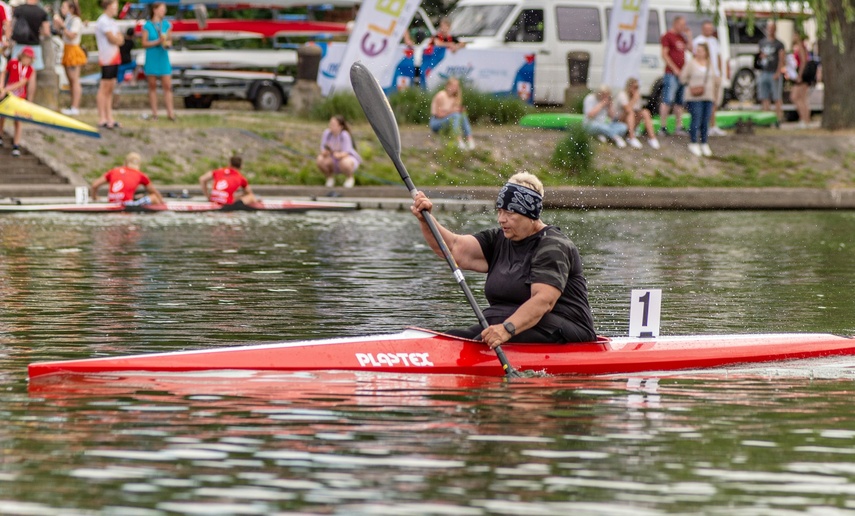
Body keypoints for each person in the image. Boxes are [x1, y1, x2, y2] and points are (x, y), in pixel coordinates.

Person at [409, 172, 596, 346]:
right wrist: (426, 220)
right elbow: (452, 248)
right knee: (455, 336)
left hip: (567, 331)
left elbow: (543, 301)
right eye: (499, 211)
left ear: (530, 214)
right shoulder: (499, 239)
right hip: (510, 324)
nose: (501, 219)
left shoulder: (552, 245)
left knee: (480, 340)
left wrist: (506, 330)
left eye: (510, 213)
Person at [680, 42, 717, 157]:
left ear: (706, 52)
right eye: (697, 50)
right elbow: (682, 78)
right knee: (696, 118)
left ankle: (704, 142)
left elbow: (714, 80)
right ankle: (693, 142)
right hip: (694, 97)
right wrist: (692, 85)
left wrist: (715, 95)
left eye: (701, 50)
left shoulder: (709, 64)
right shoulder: (691, 64)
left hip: (708, 95)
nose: (698, 53)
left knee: (705, 120)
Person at [90, 152, 165, 205]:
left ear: (125, 162)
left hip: (112, 203)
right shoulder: (140, 175)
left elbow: (94, 185)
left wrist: (95, 198)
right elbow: (155, 192)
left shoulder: (113, 171)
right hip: (127, 205)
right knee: (154, 198)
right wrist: (162, 202)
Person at [0, 46, 36, 157]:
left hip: (19, 97)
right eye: (26, 57)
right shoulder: (13, 63)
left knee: (18, 121)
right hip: (8, 95)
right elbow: (4, 72)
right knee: (2, 116)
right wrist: (1, 86)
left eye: (30, 58)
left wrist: (6, 89)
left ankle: (16, 144)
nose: (27, 60)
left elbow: (22, 83)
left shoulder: (29, 69)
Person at [141, 2, 174, 121]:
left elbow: (170, 41)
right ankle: (155, 113)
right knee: (152, 86)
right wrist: (157, 42)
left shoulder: (166, 25)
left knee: (167, 86)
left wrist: (167, 43)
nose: (163, 12)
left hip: (163, 57)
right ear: (155, 10)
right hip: (152, 57)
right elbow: (144, 43)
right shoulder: (147, 26)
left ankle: (171, 113)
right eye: (162, 9)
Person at [692, 20, 725, 136]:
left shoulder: (714, 41)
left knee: (715, 101)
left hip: (715, 74)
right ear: (702, 29)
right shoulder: (698, 41)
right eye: (706, 29)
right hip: (706, 76)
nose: (709, 31)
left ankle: (713, 126)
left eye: (710, 29)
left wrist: (720, 73)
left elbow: (718, 57)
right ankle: (704, 126)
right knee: (706, 101)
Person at [94, 0, 124, 129]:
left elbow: (120, 39)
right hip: (107, 58)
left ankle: (109, 116)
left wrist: (117, 39)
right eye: (115, 6)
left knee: (110, 88)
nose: (116, 9)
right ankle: (102, 117)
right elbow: (112, 38)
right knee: (104, 88)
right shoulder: (103, 21)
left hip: (115, 58)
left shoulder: (112, 22)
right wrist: (116, 39)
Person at [659, 15, 690, 137]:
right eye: (682, 25)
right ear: (676, 24)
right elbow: (664, 54)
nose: (684, 27)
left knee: (679, 101)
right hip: (671, 73)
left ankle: (679, 126)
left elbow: (690, 49)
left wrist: (689, 36)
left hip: (682, 74)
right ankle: (663, 126)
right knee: (667, 99)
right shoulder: (668, 36)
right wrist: (674, 68)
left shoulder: (682, 37)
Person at [53, 0, 85, 116]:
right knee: (70, 81)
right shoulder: (69, 19)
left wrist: (62, 25)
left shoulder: (75, 20)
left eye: (64, 7)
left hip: (73, 50)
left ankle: (75, 106)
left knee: (74, 80)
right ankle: (72, 105)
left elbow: (72, 35)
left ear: (71, 8)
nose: (62, 10)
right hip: (67, 49)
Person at [429, 77, 474, 150]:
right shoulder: (441, 95)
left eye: (456, 86)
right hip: (436, 122)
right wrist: (452, 111)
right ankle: (458, 140)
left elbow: (454, 113)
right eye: (453, 86)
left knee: (462, 115)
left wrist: (459, 110)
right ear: (447, 86)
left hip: (448, 122)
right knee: (456, 115)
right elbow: (439, 115)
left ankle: (469, 139)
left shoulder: (454, 98)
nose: (455, 88)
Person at [316, 115, 361, 188]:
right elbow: (323, 148)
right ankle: (329, 179)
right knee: (320, 159)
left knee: (345, 162)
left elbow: (347, 151)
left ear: (340, 126)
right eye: (330, 124)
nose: (331, 126)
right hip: (332, 158)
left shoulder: (344, 135)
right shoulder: (327, 133)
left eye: (333, 124)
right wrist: (325, 152)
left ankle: (350, 178)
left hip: (344, 158)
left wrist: (339, 155)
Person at [615, 78, 660, 149]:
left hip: (630, 121)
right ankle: (631, 137)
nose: (636, 89)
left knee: (645, 112)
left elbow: (639, 110)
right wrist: (634, 99)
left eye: (638, 87)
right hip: (619, 121)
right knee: (630, 113)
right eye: (635, 87)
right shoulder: (622, 95)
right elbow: (627, 109)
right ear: (629, 87)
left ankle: (652, 137)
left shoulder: (636, 95)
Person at [757, 20, 785, 126]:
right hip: (764, 71)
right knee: (764, 96)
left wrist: (778, 72)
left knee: (776, 97)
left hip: (774, 72)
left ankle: (778, 119)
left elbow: (782, 59)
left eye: (772, 28)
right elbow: (759, 56)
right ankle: (766, 120)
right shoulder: (762, 42)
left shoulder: (779, 44)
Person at [8, 0, 49, 72]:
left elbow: (11, 26)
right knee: (32, 73)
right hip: (34, 46)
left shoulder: (19, 9)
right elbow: (46, 32)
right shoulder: (42, 12)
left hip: (19, 46)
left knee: (16, 71)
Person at [788, 32, 810, 128]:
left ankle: (804, 119)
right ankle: (805, 119)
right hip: (801, 75)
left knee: (795, 97)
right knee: (802, 98)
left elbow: (803, 62)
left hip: (802, 76)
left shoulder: (801, 47)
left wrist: (799, 75)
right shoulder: (800, 47)